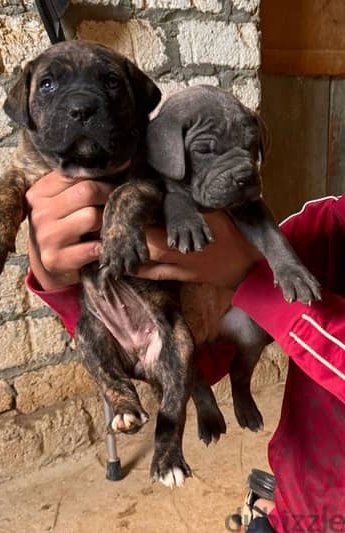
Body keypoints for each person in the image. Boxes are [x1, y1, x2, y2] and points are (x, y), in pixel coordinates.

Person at [26, 170, 345, 533]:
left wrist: (249, 277)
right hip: (299, 504)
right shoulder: (332, 223)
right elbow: (199, 337)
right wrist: (79, 288)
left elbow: (249, 283)